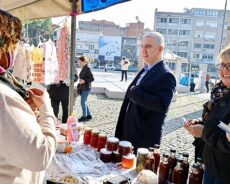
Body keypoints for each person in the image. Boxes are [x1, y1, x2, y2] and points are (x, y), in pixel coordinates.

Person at [0, 9, 56, 184]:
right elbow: (41, 156)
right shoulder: (3, 95)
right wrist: (46, 109)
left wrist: (23, 113)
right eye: (15, 42)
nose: (17, 49)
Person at [115, 32, 176, 152]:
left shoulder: (166, 75)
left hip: (143, 139)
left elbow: (161, 104)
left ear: (160, 49)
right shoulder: (145, 69)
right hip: (129, 132)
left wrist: (135, 92)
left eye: (148, 46)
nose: (143, 50)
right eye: (142, 46)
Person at [184, 44, 230, 184]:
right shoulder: (219, 91)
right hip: (210, 164)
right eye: (222, 64)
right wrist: (200, 123)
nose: (224, 70)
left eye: (229, 65)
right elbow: (217, 124)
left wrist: (204, 132)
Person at [78, 56, 94, 122]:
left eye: (80, 62)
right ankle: (89, 115)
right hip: (84, 88)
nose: (79, 63)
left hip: (87, 88)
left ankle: (84, 117)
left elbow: (92, 78)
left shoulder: (87, 68)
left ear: (84, 61)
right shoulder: (84, 68)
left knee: (82, 102)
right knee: (84, 102)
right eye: (79, 62)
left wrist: (84, 81)